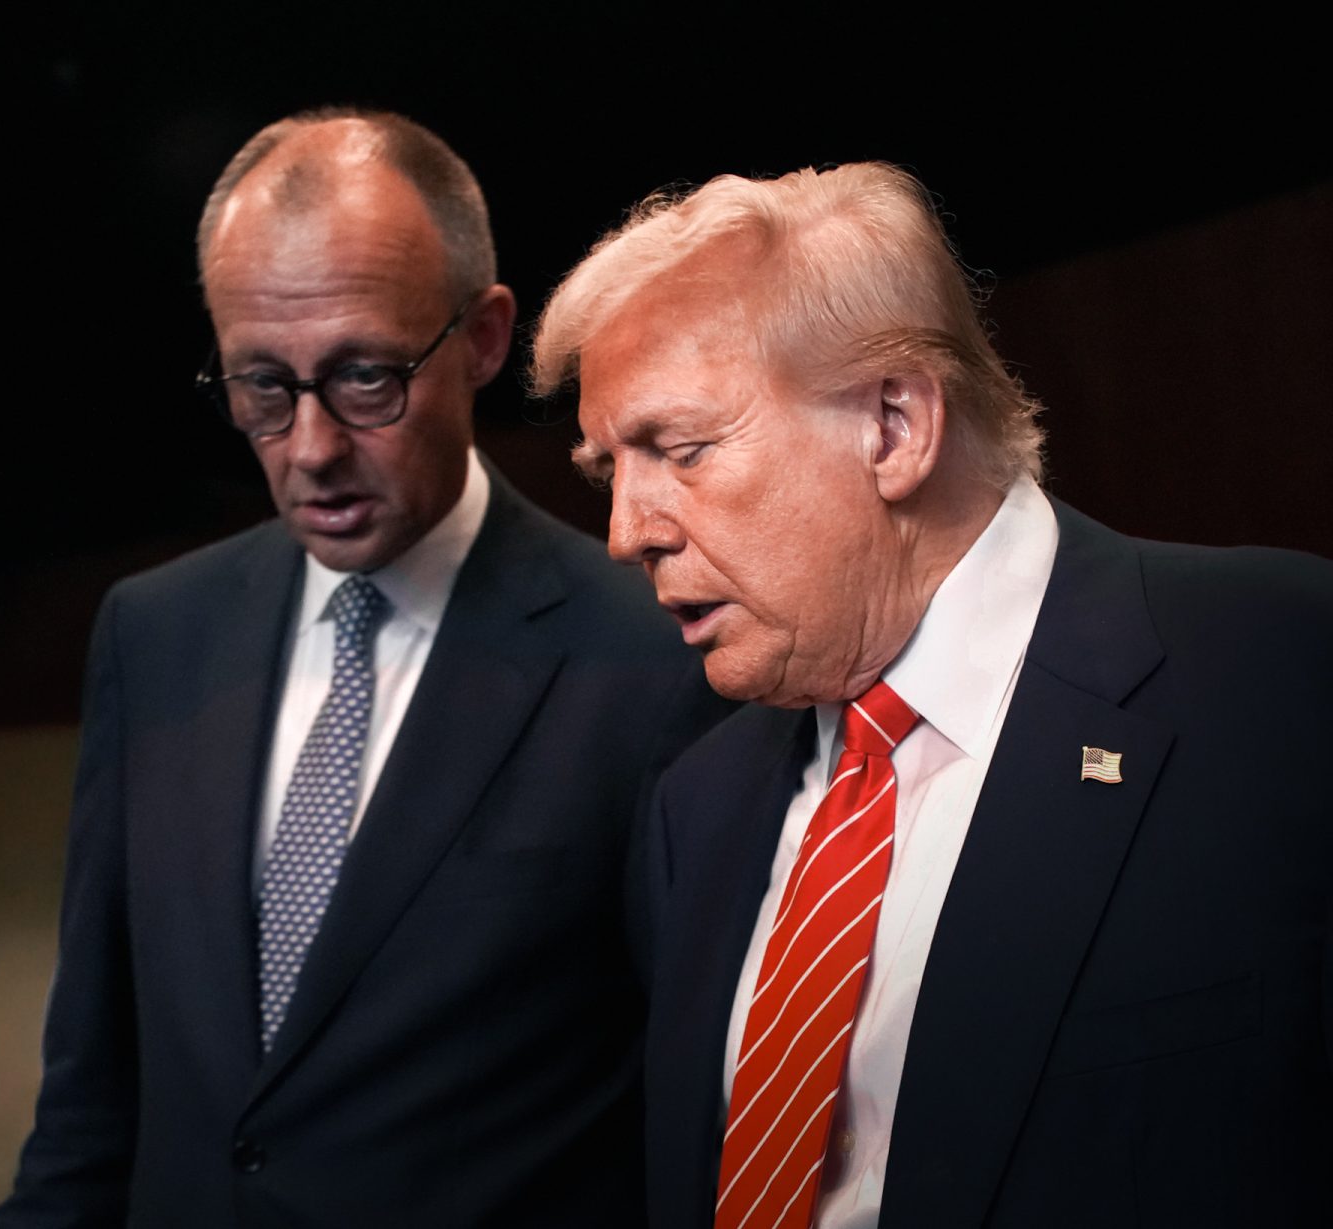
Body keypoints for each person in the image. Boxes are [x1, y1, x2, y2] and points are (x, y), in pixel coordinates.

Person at [531, 162, 1332, 1228]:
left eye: (680, 450)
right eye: (608, 472)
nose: (626, 532)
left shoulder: (1278, 664)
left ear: (895, 425)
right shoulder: (697, 805)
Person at [0, 108, 728, 1228]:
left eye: (366, 377)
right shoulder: (154, 633)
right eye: (262, 384)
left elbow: (693, 1125)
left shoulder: (651, 660)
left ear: (483, 338)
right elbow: (92, 1101)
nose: (312, 447)